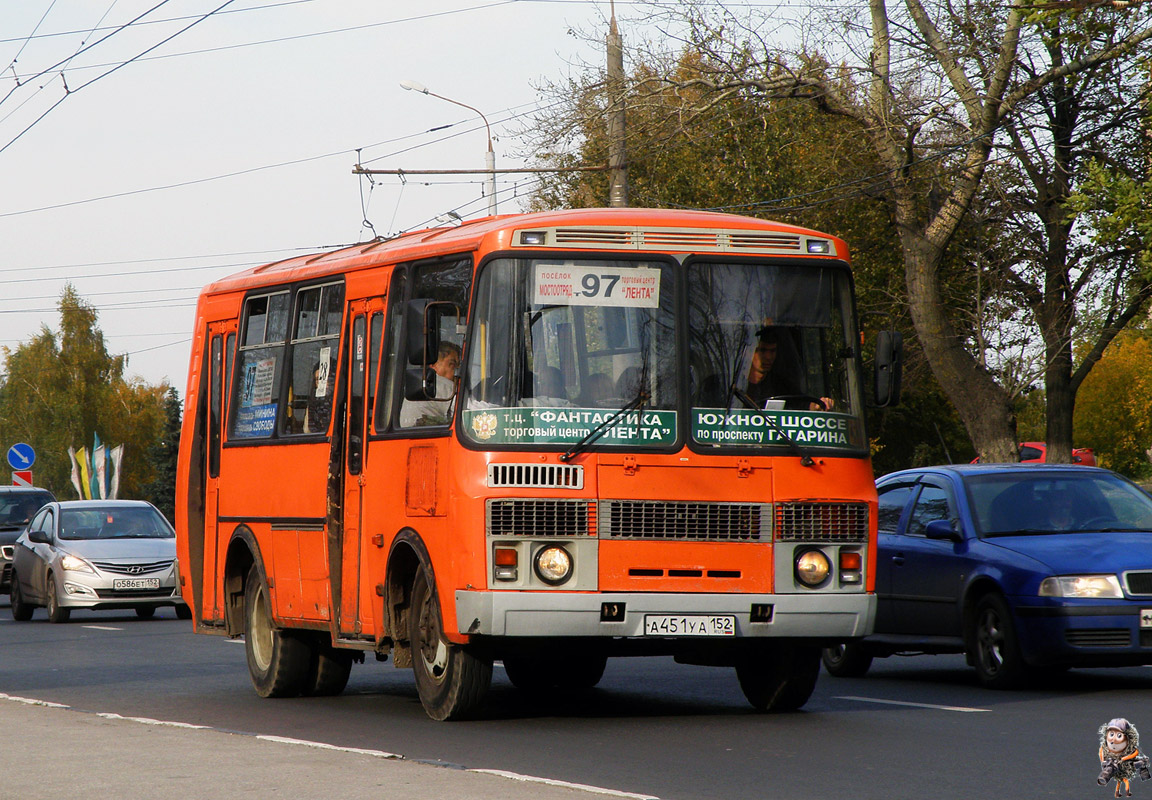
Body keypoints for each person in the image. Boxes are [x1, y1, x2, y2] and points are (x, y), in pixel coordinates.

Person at [747, 326, 833, 411]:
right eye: (762, 350)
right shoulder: (738, 383)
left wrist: (817, 405)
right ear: (749, 352)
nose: (768, 357)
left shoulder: (780, 385)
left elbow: (802, 403)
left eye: (773, 351)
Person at [400, 341, 461, 427]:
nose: (456, 372)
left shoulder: (417, 387)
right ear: (433, 364)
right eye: (452, 365)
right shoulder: (441, 384)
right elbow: (470, 412)